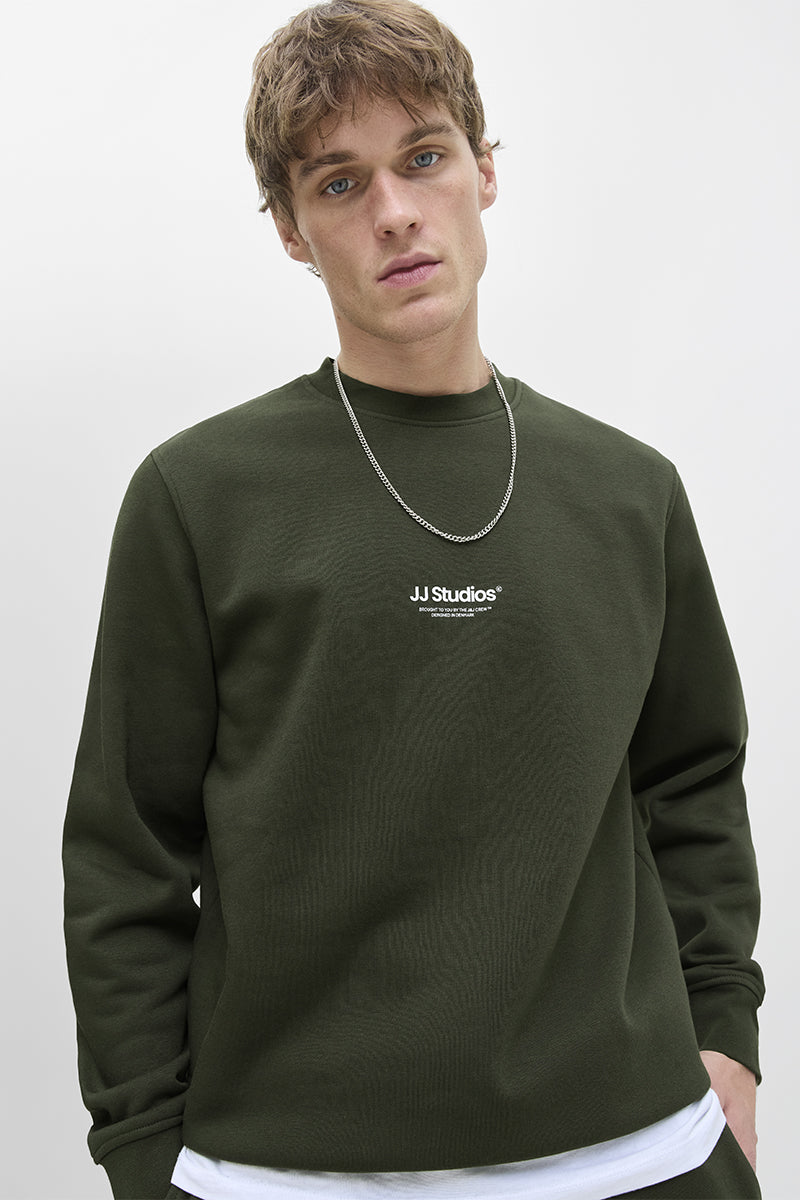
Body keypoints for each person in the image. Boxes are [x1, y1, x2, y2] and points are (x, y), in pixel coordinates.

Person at [62, 2, 765, 1198]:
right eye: (338, 183)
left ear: (484, 172)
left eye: (423, 157)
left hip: (640, 1148)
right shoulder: (198, 495)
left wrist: (724, 1044)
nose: (392, 211)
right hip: (289, 1167)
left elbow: (692, 781)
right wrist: (142, 1153)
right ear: (289, 230)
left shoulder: (627, 490)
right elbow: (126, 854)